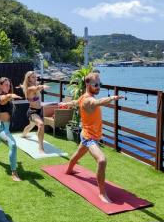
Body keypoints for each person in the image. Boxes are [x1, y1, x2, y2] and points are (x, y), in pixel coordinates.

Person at [59, 72, 124, 203]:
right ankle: (102, 193)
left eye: (100, 84)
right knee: (102, 160)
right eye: (96, 84)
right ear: (87, 84)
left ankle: (69, 170)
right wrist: (112, 97)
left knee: (78, 154)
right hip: (89, 137)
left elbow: (76, 101)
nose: (98, 87)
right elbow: (98, 102)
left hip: (87, 134)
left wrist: (67, 104)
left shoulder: (84, 97)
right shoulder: (89, 100)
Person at [0, 77, 22, 181]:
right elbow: (3, 99)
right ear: (0, 85)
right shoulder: (1, 98)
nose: (8, 86)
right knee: (13, 145)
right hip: (0, 128)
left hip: (1, 126)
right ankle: (14, 173)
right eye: (5, 85)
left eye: (9, 84)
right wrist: (10, 95)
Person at [21, 71, 50, 153]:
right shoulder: (30, 88)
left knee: (31, 125)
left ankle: (23, 134)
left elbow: (33, 87)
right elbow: (36, 89)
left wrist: (20, 86)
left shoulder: (32, 86)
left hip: (39, 111)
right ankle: (41, 147)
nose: (35, 78)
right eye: (33, 77)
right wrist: (43, 86)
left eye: (35, 76)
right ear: (29, 79)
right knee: (40, 124)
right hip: (32, 112)